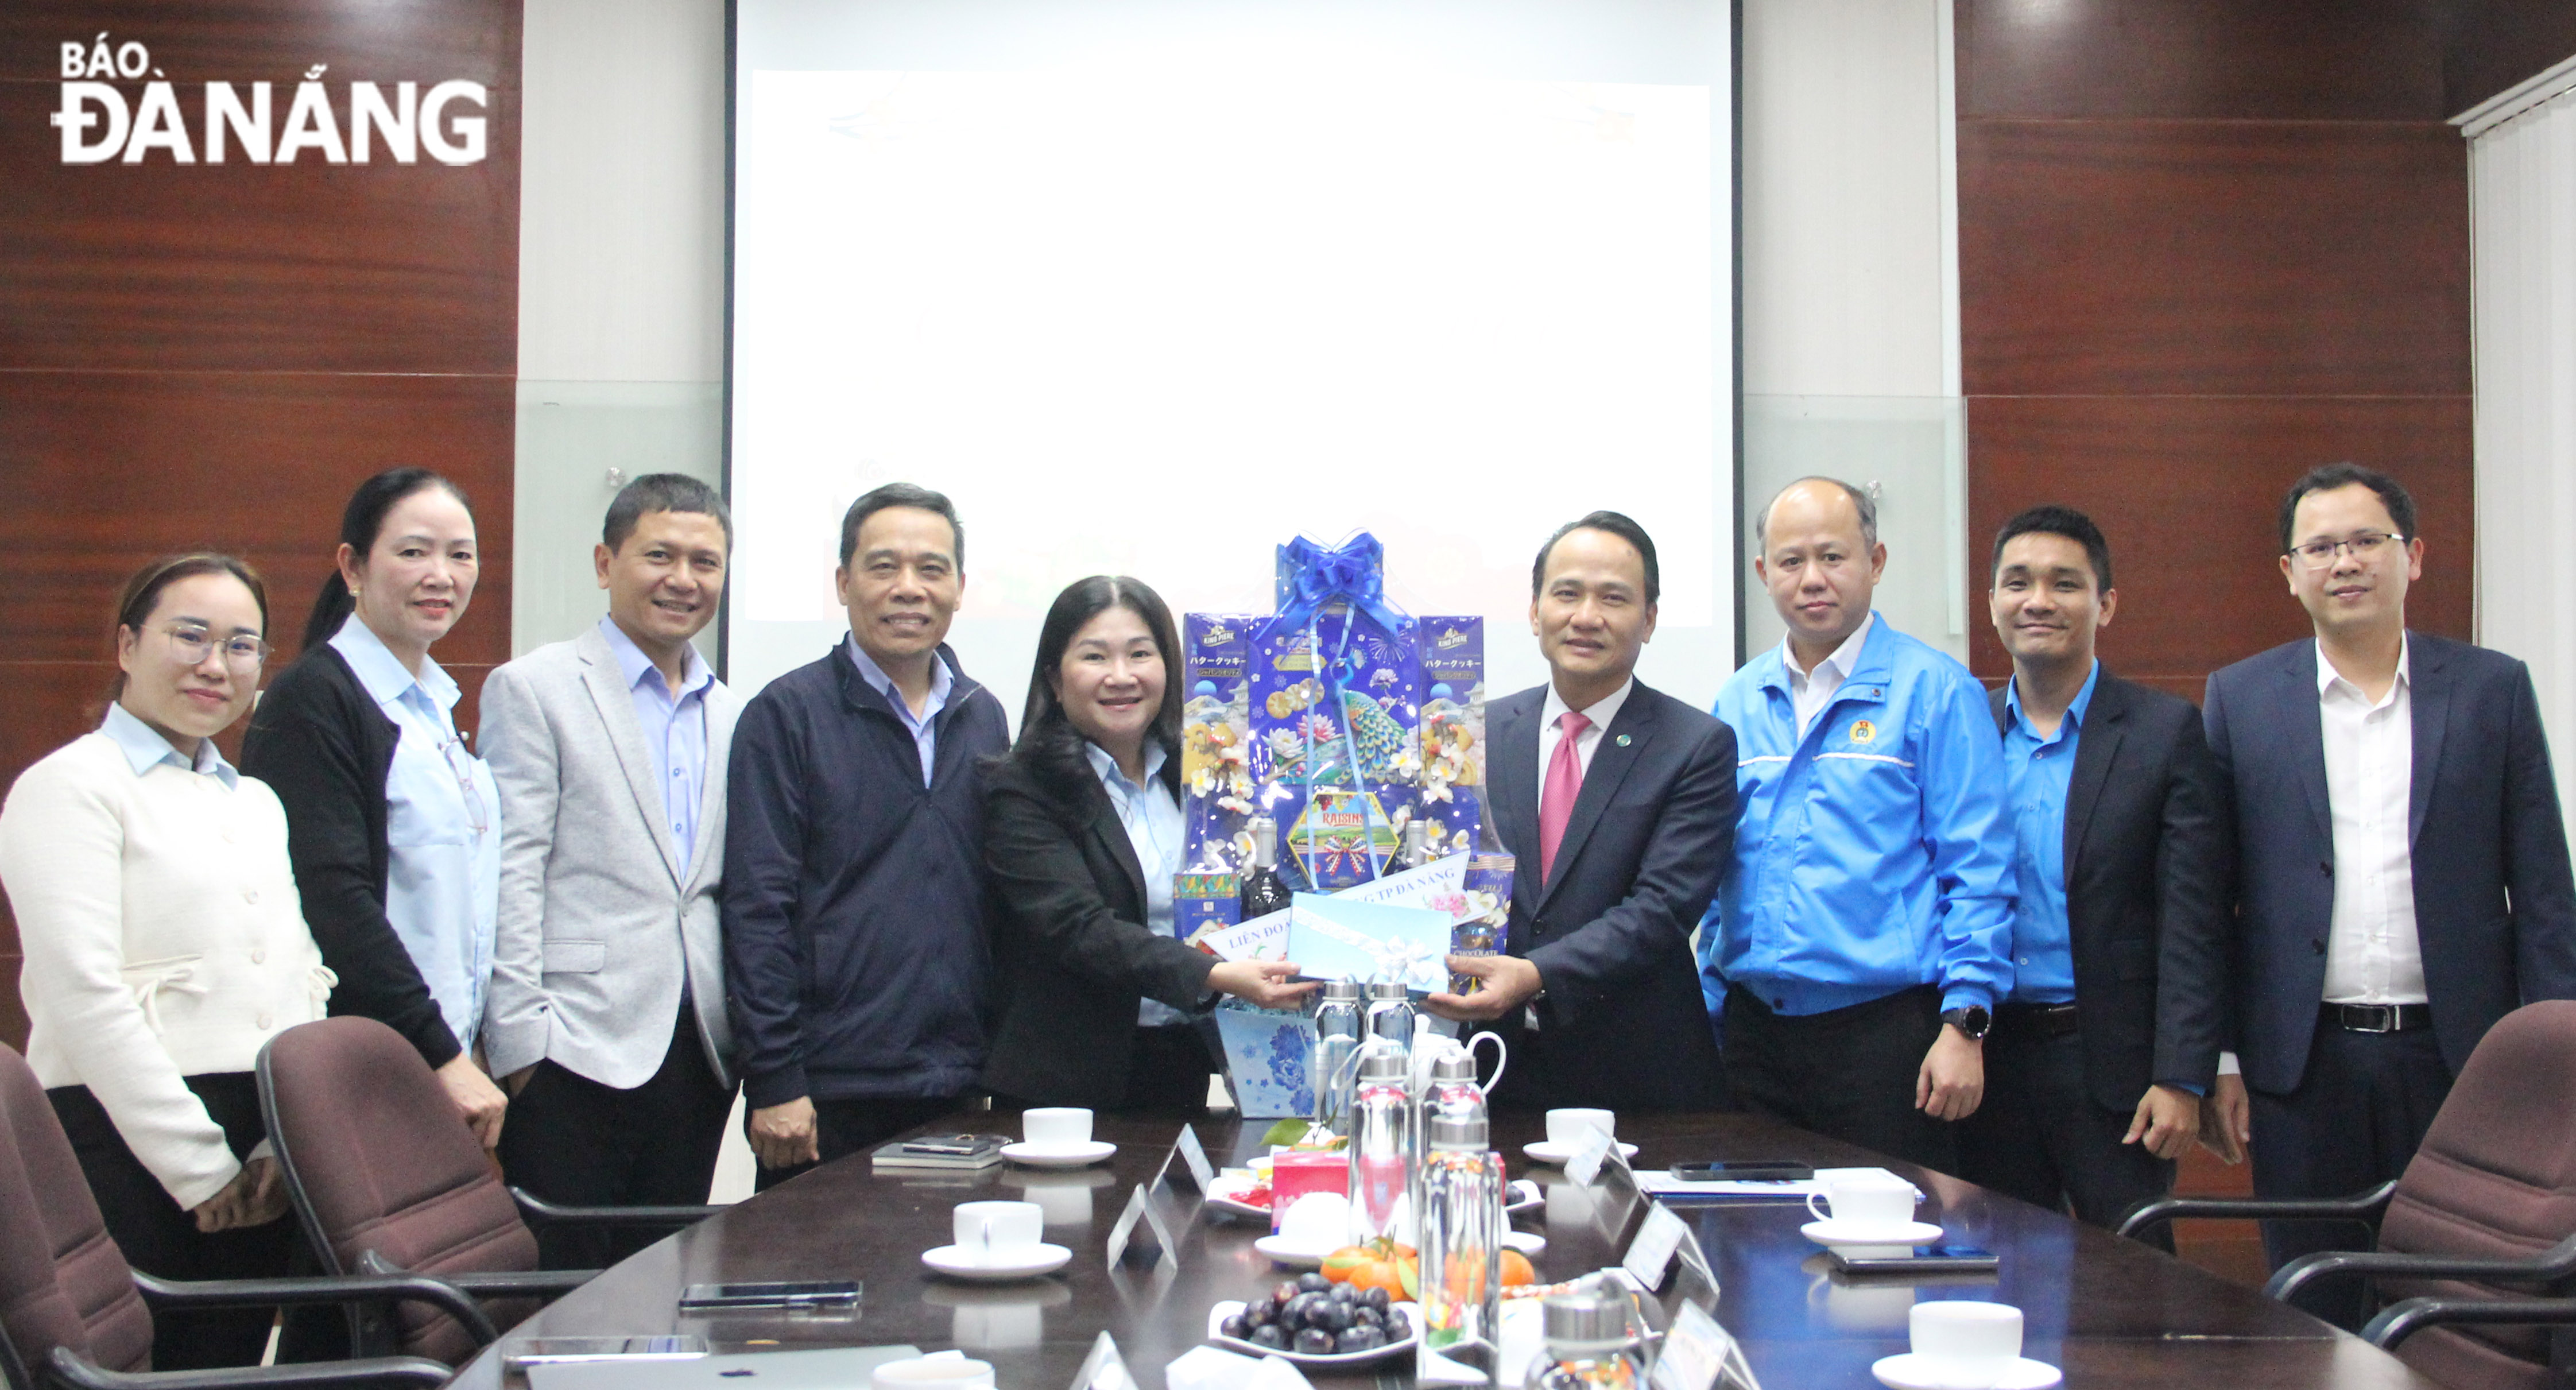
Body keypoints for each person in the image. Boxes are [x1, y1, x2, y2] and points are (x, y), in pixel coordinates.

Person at [2204, 462, 2576, 1322]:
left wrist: (2557, 1065)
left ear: (2412, 556)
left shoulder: (2491, 690)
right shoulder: (2240, 699)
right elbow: (2209, 902)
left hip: (2463, 1059)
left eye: (2366, 541)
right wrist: (2218, 1057)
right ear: (2288, 573)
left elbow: (2545, 895)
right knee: (2313, 1300)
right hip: (2301, 1065)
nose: (2345, 562)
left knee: (2462, 1301)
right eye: (2320, 546)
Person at [0, 556, 328, 1368]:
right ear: (126, 644)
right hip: (127, 1133)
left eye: (242, 645)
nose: (216, 665)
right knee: (143, 1369)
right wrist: (199, 1165)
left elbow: (302, 969)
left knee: (231, 1365)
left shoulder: (252, 799)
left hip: (258, 1137)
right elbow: (83, 995)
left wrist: (276, 1145)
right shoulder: (70, 786)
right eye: (191, 635)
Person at [1699, 477, 2015, 1171]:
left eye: (1833, 557)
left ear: (1874, 562)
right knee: (1753, 1244)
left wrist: (1965, 1022)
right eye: (1789, 562)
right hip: (1755, 1037)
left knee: (1881, 1259)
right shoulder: (1737, 698)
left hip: (1885, 1038)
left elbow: (1979, 872)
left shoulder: (1934, 690)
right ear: (1762, 573)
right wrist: (1708, 1008)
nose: (1811, 579)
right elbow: (1722, 875)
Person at [478, 475, 740, 1265]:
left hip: (697, 1046)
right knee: (567, 1292)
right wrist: (520, 1044)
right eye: (659, 555)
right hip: (573, 1046)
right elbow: (512, 867)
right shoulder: (535, 687)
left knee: (664, 1276)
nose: (683, 579)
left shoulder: (734, 712)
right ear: (605, 561)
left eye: (705, 561)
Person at [1957, 506, 2230, 1243]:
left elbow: (2192, 922)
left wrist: (2182, 1078)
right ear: (1990, 604)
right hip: (1986, 1058)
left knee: (2134, 1285)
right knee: (1995, 1275)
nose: (2037, 600)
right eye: (2016, 583)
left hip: (2110, 1069)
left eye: (2064, 584)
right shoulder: (1962, 729)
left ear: (2104, 604)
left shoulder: (2162, 733)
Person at [725, 483, 1009, 1186]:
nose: (908, 589)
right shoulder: (786, 715)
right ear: (844, 582)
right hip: (829, 1086)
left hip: (956, 1078)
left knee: (951, 1288)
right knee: (822, 1290)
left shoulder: (983, 718)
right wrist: (775, 1078)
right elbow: (757, 909)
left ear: (961, 587)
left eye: (931, 569)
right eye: (884, 567)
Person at [1421, 512, 1736, 1112]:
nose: (1585, 616)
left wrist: (1533, 975)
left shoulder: (1695, 744)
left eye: (1613, 598)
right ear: (1536, 611)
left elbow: (1662, 909)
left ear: (1648, 620)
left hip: (1635, 1075)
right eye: (1566, 594)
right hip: (1492, 1069)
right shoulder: (1473, 734)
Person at [241, 467, 508, 1147]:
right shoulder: (316, 699)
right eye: (413, 552)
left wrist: (466, 1042)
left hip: (439, 1060)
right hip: (369, 1062)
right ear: (352, 568)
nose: (441, 575)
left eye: (460, 554)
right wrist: (438, 1051)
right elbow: (332, 899)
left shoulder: (434, 706)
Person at [981, 577, 1316, 1113]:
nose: (1121, 676)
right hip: (1067, 1088)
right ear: (1055, 677)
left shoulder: (1204, 781)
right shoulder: (1022, 786)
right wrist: (1213, 975)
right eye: (1095, 656)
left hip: (1182, 1064)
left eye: (1140, 653)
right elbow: (1079, 929)